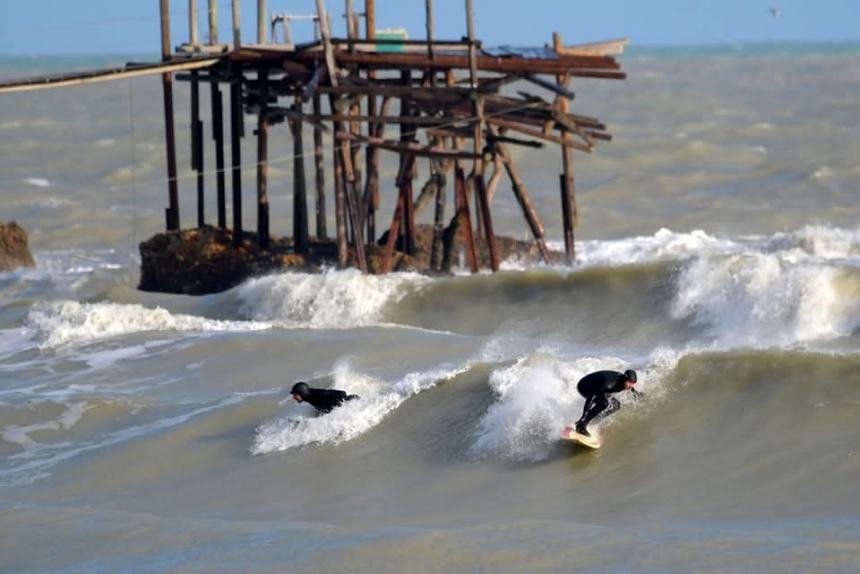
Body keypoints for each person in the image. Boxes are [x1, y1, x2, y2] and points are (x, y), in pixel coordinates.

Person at [574, 369, 641, 437]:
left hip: (598, 387)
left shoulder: (625, 382)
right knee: (604, 403)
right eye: (629, 382)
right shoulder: (609, 384)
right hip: (584, 386)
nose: (631, 385)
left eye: (633, 383)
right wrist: (584, 415)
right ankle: (581, 426)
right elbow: (591, 397)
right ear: (624, 379)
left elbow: (631, 386)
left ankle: (592, 422)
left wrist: (636, 393)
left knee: (615, 405)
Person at [290, 382, 358, 414]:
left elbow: (342, 393)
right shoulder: (307, 397)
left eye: (295, 395)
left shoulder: (316, 394)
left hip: (348, 404)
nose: (293, 397)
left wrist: (342, 403)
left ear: (301, 393)